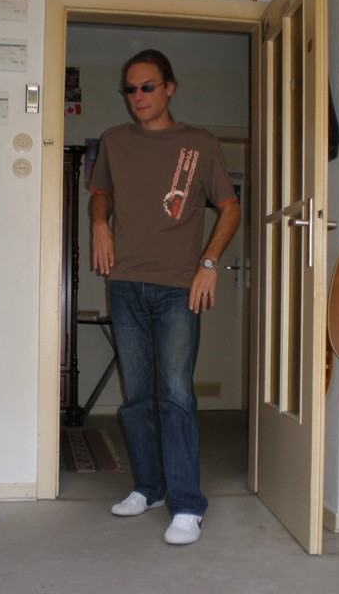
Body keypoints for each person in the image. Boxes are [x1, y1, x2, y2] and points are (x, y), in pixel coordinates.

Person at [89, 49, 241, 545]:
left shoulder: (199, 143)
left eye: (147, 87)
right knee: (136, 398)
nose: (138, 96)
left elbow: (230, 208)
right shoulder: (114, 141)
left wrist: (208, 264)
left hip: (178, 288)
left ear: (169, 87)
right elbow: (101, 192)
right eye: (130, 89)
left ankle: (187, 505)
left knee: (175, 396)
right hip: (125, 284)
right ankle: (149, 488)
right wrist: (99, 224)